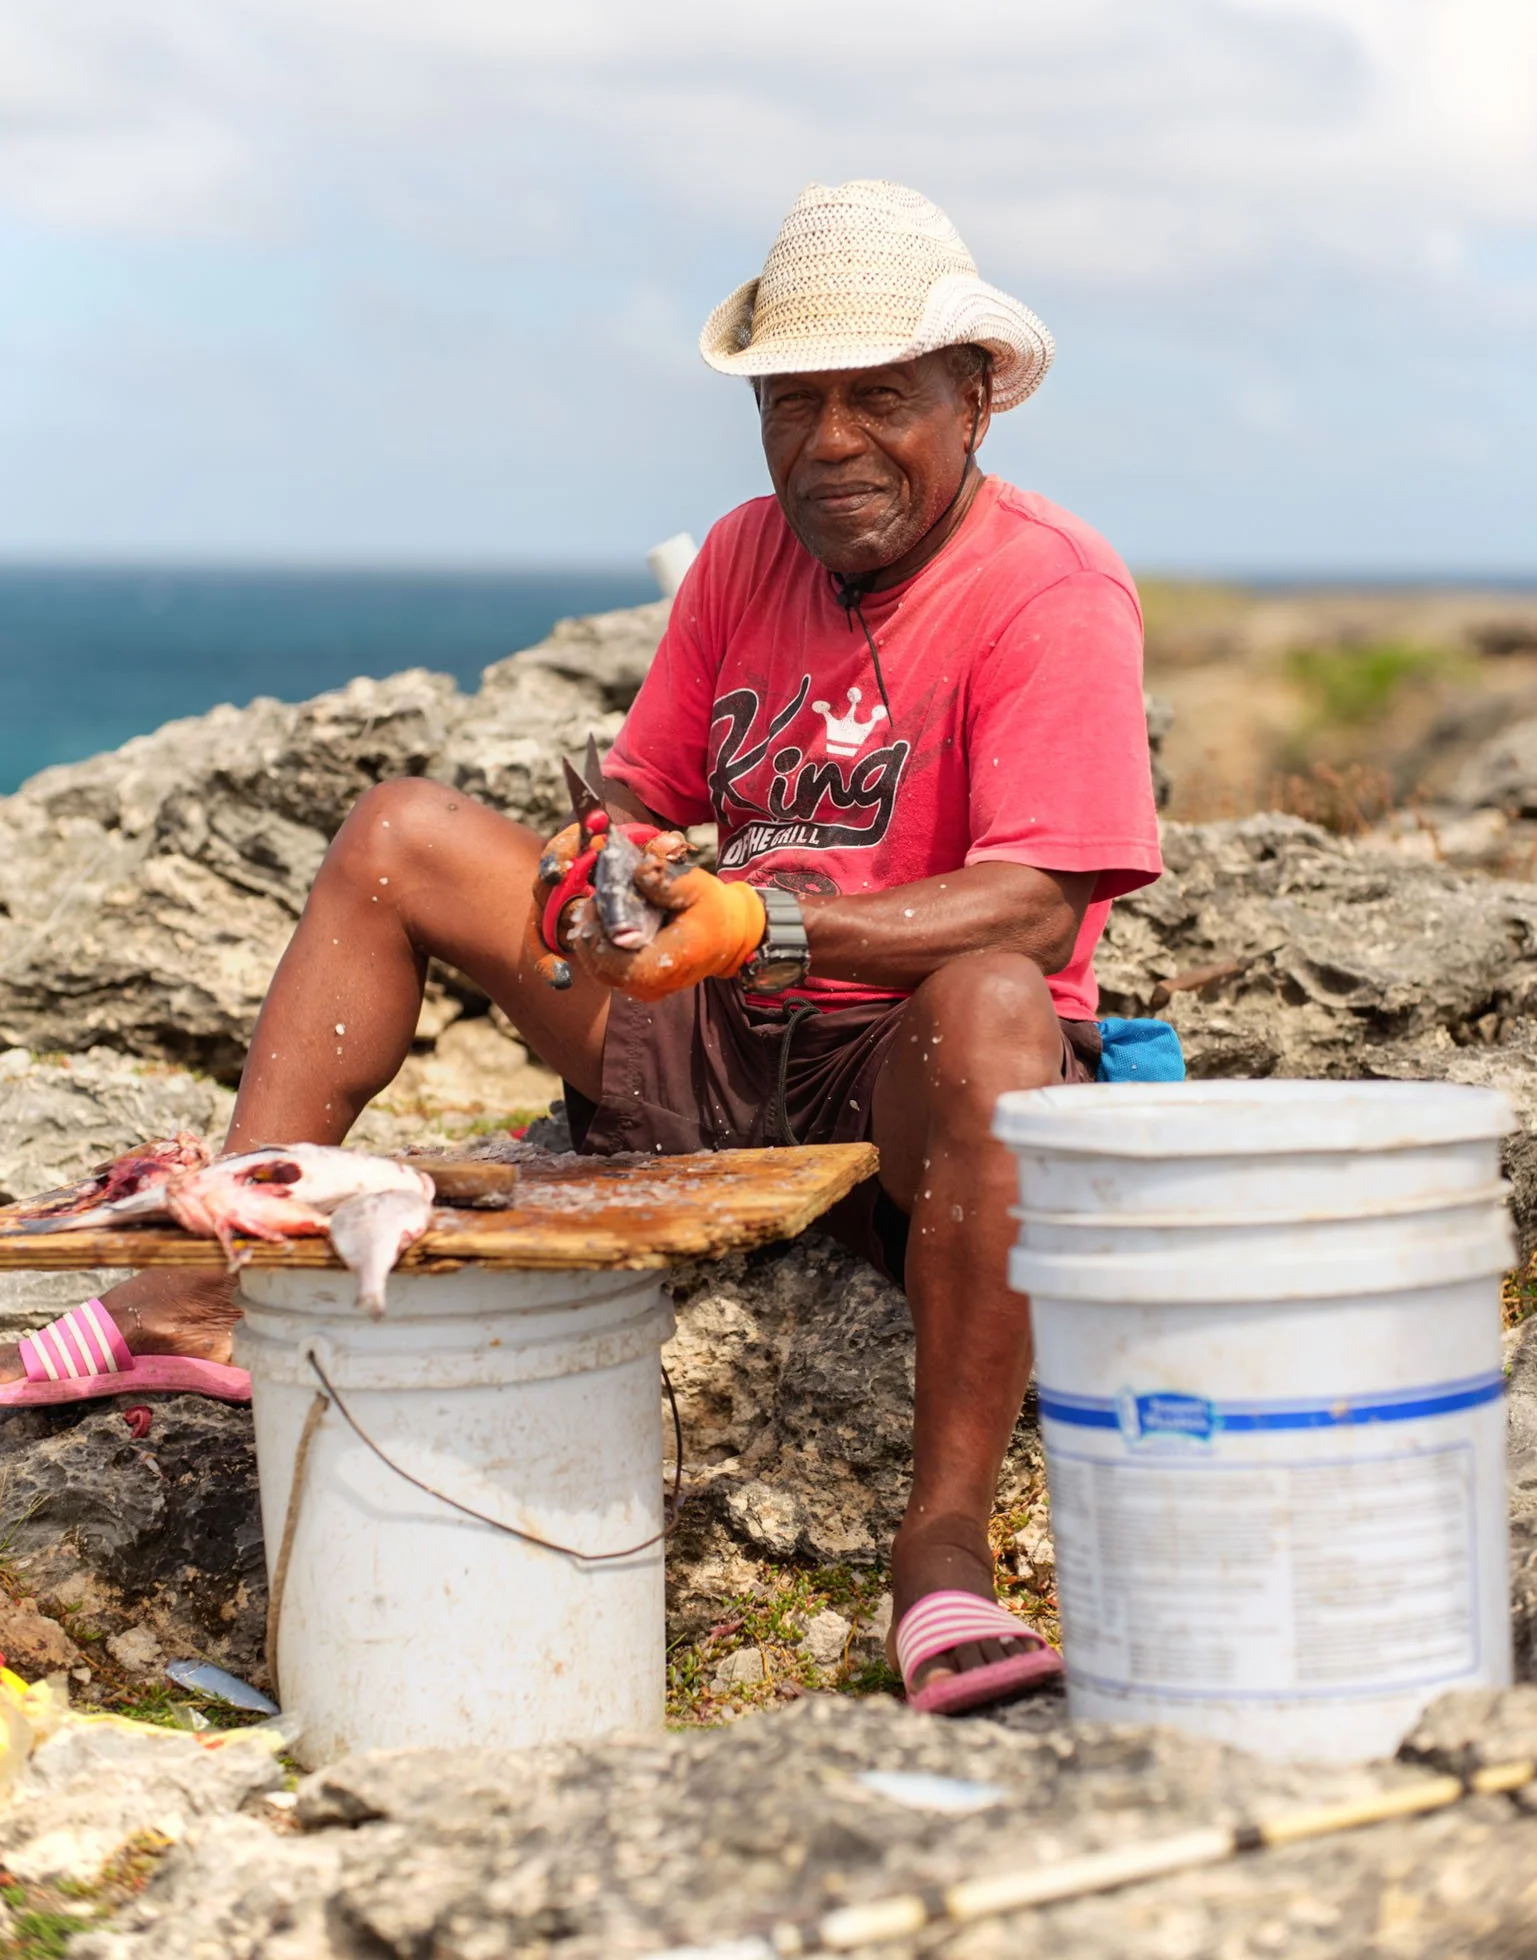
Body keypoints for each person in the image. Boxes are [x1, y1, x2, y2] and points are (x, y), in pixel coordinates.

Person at [1, 180, 1161, 1714]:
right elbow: (640, 799)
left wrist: (766, 922)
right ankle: (205, 1293)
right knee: (401, 833)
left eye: (879, 397)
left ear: (974, 398)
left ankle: (940, 1552)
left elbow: (1038, 902)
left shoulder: (1051, 587)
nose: (829, 441)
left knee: (1002, 1002)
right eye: (792, 400)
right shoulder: (745, 557)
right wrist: (601, 876)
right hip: (711, 1033)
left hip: (906, 1073)